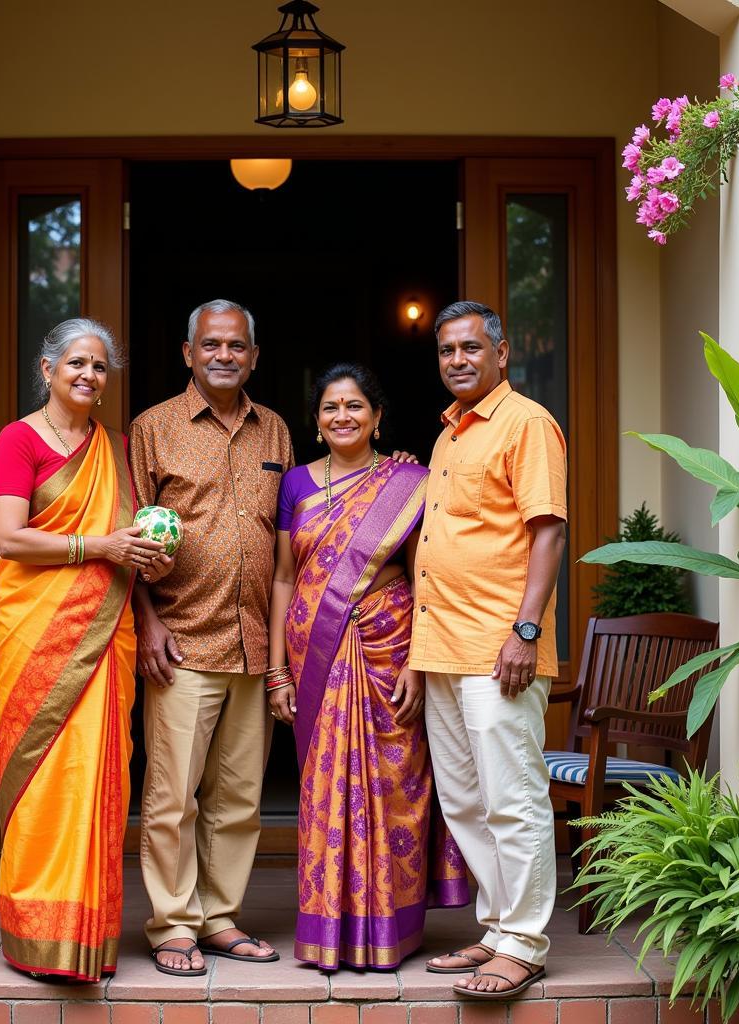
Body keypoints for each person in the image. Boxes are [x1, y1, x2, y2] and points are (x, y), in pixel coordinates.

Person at [267, 363, 469, 972]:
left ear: (377, 418)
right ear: (317, 420)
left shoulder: (409, 480)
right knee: (323, 788)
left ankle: (391, 927)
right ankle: (329, 928)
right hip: (314, 652)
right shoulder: (297, 484)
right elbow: (282, 578)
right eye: (331, 407)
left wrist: (419, 660)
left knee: (394, 783)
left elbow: (424, 574)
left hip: (390, 645)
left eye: (355, 406)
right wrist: (277, 670)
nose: (342, 417)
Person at [0, 318, 171, 981]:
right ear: (47, 369)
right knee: (42, 782)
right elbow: (10, 538)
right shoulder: (18, 441)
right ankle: (35, 931)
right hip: (36, 634)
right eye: (76, 364)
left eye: (99, 366)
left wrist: (145, 585)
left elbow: (126, 540)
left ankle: (86, 936)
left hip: (106, 633)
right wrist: (99, 548)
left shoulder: (114, 449)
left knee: (95, 778)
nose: (89, 375)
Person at [128, 299, 293, 976]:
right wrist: (146, 620)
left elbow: (296, 528)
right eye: (211, 345)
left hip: (254, 642)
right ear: (188, 353)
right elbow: (130, 535)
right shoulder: (152, 428)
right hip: (182, 640)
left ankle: (219, 917)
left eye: (237, 346)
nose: (224, 355)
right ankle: (172, 924)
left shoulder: (276, 431)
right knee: (172, 797)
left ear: (254, 356)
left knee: (238, 800)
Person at [411, 301, 568, 999]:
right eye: (447, 350)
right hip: (443, 645)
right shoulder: (449, 435)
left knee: (513, 797)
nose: (458, 360)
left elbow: (548, 531)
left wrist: (525, 631)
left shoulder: (526, 422)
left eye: (471, 348)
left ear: (501, 354)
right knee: (467, 802)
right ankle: (499, 927)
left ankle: (526, 942)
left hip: (498, 646)